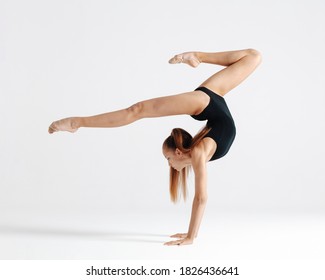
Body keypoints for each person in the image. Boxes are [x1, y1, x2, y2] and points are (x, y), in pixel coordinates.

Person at [48, 49, 262, 246]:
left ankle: (198, 56)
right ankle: (78, 122)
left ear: (178, 152)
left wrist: (190, 236)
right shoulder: (198, 152)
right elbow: (201, 197)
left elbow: (201, 197)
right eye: (167, 159)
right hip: (211, 100)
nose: (169, 164)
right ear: (180, 151)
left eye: (167, 159)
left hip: (207, 101)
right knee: (137, 110)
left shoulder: (199, 152)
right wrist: (191, 235)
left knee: (254, 56)